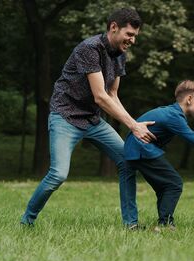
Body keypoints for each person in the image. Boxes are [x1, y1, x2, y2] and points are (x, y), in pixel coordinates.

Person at [20, 8, 155, 229]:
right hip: (66, 116)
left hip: (92, 120)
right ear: (113, 27)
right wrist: (133, 126)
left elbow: (113, 95)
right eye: (129, 34)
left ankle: (131, 224)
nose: (132, 40)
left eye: (135, 36)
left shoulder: (120, 55)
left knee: (127, 161)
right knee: (58, 174)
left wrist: (134, 125)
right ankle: (27, 220)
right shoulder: (89, 48)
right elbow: (100, 96)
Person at [124, 80, 194, 229]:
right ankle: (166, 224)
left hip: (137, 149)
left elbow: (191, 135)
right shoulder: (174, 116)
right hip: (142, 149)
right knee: (174, 184)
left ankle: (164, 223)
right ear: (189, 99)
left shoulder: (173, 114)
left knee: (166, 186)